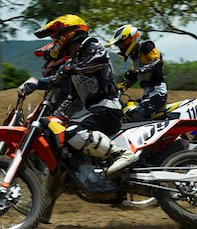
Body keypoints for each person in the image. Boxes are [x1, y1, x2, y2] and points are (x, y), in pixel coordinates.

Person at [34, 14, 139, 178]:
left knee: (73, 131)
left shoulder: (94, 48)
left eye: (58, 36)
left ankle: (121, 154)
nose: (56, 41)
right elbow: (72, 98)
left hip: (107, 108)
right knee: (59, 132)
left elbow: (99, 60)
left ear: (71, 33)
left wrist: (71, 70)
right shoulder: (74, 61)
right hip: (91, 110)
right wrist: (55, 115)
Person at [106, 25, 167, 121]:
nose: (120, 48)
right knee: (126, 113)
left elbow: (158, 62)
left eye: (121, 45)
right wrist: (116, 89)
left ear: (129, 41)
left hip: (158, 93)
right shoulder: (135, 57)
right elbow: (132, 78)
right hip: (147, 94)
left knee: (135, 115)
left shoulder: (146, 46)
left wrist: (138, 71)